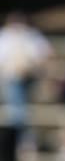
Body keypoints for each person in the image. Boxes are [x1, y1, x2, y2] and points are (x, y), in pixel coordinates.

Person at [0, 11, 52, 147]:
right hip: (10, 78)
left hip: (30, 77)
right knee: (18, 110)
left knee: (19, 109)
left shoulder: (32, 35)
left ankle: (21, 138)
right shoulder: (4, 36)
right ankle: (20, 138)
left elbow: (44, 55)